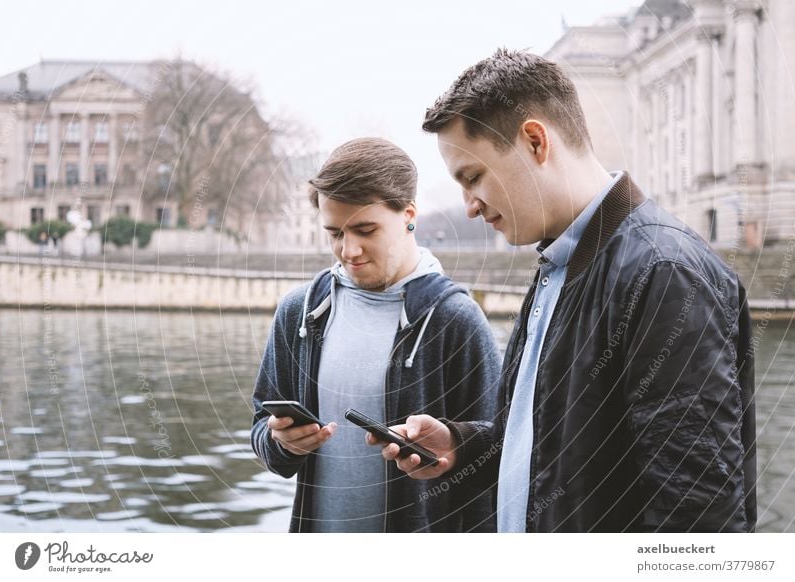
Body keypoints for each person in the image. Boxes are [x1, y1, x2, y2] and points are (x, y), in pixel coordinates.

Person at [371, 49, 756, 533]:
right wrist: (463, 445)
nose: (469, 206)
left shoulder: (665, 272)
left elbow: (697, 514)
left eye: (473, 178)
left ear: (535, 141)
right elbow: (562, 450)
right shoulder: (560, 262)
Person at [250, 137, 501, 532]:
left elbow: (502, 453)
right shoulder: (298, 312)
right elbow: (261, 434)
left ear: (409, 215)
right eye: (335, 233)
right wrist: (281, 443)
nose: (348, 250)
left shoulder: (456, 319)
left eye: (365, 230)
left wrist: (453, 446)